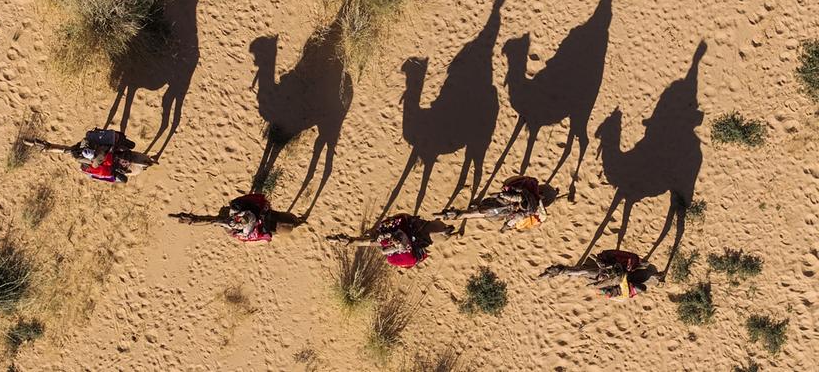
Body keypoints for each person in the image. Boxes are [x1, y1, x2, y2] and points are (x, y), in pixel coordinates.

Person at [327, 214, 458, 268]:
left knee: (373, 242)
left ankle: (346, 241)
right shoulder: (390, 241)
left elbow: (377, 244)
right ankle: (346, 241)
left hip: (401, 242)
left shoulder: (387, 246)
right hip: (403, 241)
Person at [24, 128, 150, 183]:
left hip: (96, 153)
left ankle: (46, 147)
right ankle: (46, 147)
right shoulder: (96, 159)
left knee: (68, 151)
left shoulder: (94, 157)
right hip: (96, 154)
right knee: (68, 151)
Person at [435, 176, 549, 232]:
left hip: (511, 208)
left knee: (507, 215)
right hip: (511, 198)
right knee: (499, 196)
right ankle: (451, 214)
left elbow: (514, 218)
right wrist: (505, 195)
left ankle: (451, 214)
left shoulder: (526, 211)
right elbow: (514, 195)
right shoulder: (523, 195)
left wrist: (505, 226)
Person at [170, 193, 301, 243]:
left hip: (253, 222)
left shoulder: (248, 223)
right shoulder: (245, 217)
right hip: (251, 219)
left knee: (217, 221)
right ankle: (190, 219)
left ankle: (190, 219)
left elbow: (248, 231)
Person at [539, 250, 659, 299]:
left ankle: (559, 271)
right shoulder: (631, 266)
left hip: (608, 277)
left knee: (585, 272)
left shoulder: (625, 290)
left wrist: (608, 285)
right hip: (609, 270)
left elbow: (609, 292)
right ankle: (558, 271)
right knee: (583, 271)